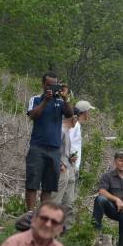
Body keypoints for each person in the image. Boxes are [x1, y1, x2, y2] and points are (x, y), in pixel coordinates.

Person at [25, 73, 74, 211]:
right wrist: (46, 101)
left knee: (49, 186)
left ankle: (42, 214)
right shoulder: (35, 99)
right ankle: (30, 213)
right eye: (49, 85)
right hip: (37, 147)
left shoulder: (60, 102)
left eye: (54, 85)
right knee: (32, 183)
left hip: (54, 150)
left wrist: (65, 99)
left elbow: (70, 114)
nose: (51, 88)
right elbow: (33, 116)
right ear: (43, 84)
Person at [51, 113, 77, 229]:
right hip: (61, 168)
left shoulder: (66, 130)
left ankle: (63, 230)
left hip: (67, 166)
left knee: (67, 201)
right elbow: (53, 148)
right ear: (73, 118)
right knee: (55, 200)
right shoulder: (60, 129)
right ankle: (49, 227)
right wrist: (61, 164)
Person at [69, 100, 94, 176]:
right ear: (84, 112)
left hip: (73, 165)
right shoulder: (75, 125)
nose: (89, 114)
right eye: (88, 111)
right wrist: (70, 158)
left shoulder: (77, 125)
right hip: (70, 164)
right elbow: (67, 141)